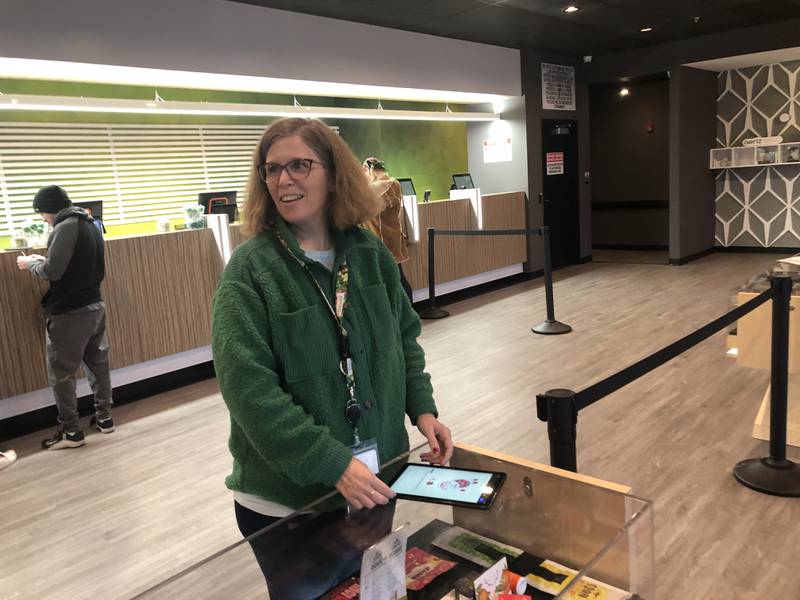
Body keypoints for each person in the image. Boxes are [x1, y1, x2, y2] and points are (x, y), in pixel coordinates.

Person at [211, 118, 453, 595]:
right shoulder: (251, 272)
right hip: (291, 506)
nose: (284, 179)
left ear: (334, 172)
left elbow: (403, 339)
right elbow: (249, 391)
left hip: (374, 481)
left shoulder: (370, 254)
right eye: (272, 169)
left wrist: (421, 409)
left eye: (300, 165)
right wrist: (332, 464)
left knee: (372, 589)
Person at [16, 185, 114, 450]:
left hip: (70, 311)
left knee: (61, 373)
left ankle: (71, 432)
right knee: (98, 364)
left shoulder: (65, 226)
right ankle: (105, 418)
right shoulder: (90, 221)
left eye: (42, 214)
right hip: (95, 304)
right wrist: (44, 259)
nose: (42, 219)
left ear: (49, 209)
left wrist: (31, 264)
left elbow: (53, 271)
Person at [361, 157, 413, 302]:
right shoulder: (394, 183)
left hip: (382, 242)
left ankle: (404, 315)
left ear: (369, 169)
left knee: (394, 281)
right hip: (392, 240)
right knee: (398, 278)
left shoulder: (383, 185)